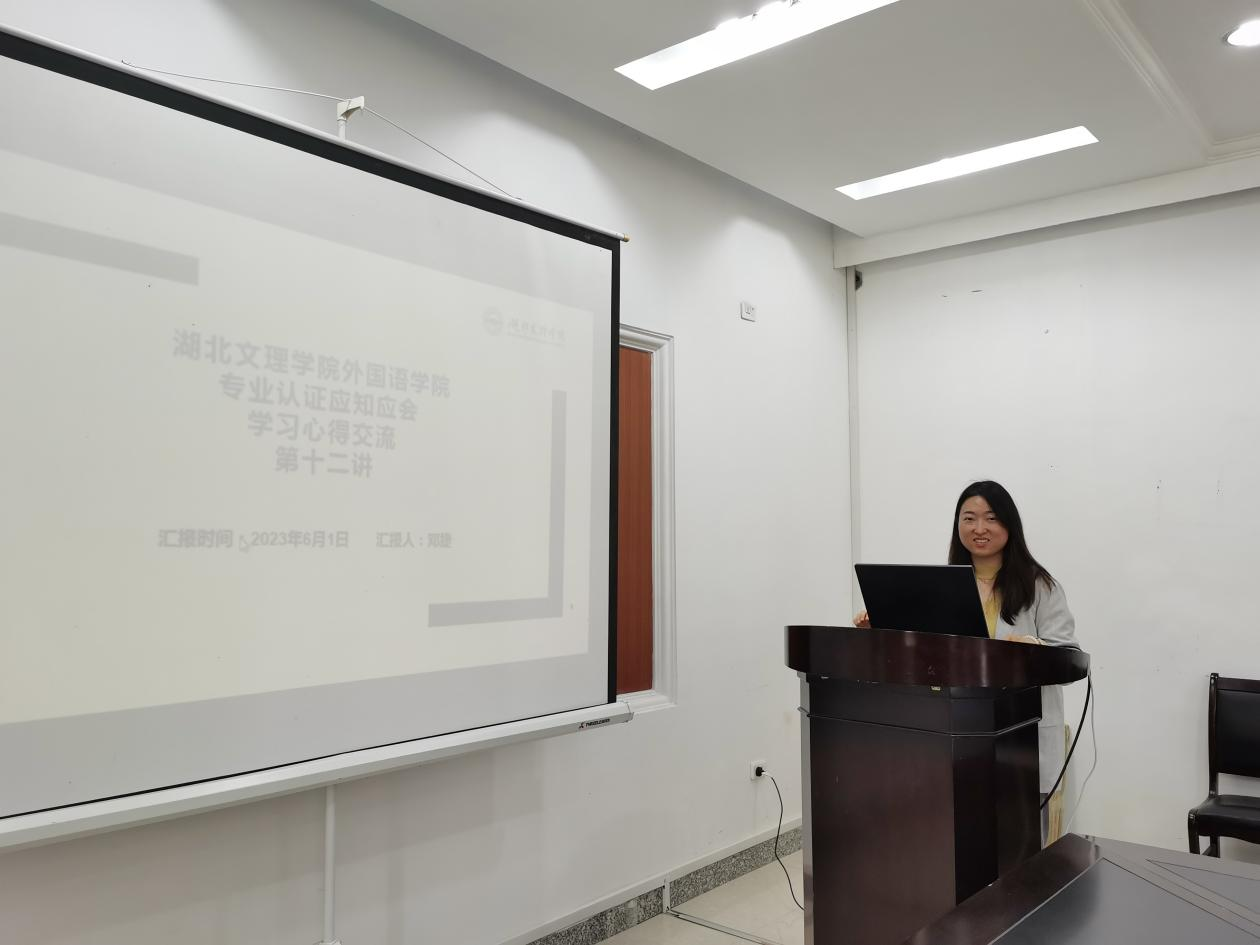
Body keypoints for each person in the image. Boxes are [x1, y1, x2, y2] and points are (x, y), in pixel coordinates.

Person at [853, 480, 1080, 826]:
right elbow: (927, 654)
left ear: (1009, 524)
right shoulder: (940, 586)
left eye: (991, 518)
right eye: (969, 518)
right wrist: (884, 628)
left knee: (1019, 840)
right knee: (958, 836)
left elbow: (1069, 659)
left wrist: (1033, 648)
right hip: (957, 732)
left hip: (1019, 737)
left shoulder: (1040, 586)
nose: (979, 528)